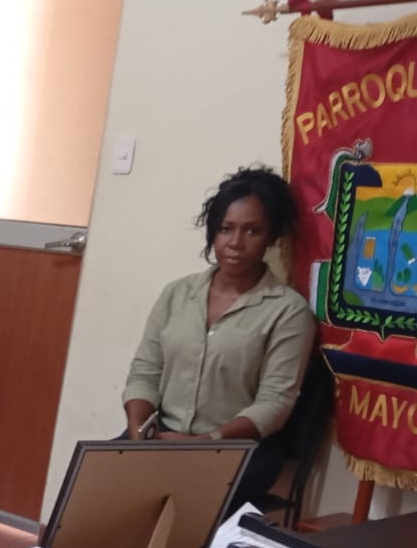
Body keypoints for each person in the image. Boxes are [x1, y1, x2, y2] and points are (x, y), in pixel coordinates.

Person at [122, 165, 316, 508]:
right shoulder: (177, 294)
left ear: (272, 237)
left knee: (170, 500)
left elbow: (274, 404)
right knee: (91, 488)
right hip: (162, 437)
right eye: (226, 229)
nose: (235, 243)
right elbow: (144, 372)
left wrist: (205, 442)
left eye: (252, 230)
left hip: (236, 450)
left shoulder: (289, 311)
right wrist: (139, 435)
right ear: (213, 232)